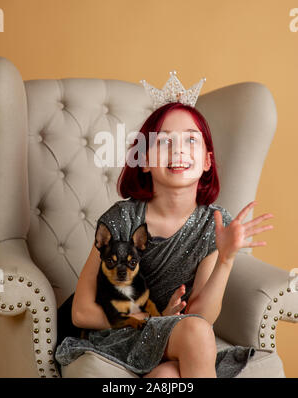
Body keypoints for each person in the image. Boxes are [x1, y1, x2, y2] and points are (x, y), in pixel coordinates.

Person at [55, 80, 274, 378]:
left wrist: (225, 259)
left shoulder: (213, 223)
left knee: (167, 377)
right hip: (120, 334)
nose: (178, 150)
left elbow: (202, 316)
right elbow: (80, 312)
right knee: (194, 333)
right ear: (144, 159)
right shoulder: (123, 219)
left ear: (208, 161)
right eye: (164, 141)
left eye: (190, 140)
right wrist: (150, 320)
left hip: (176, 335)